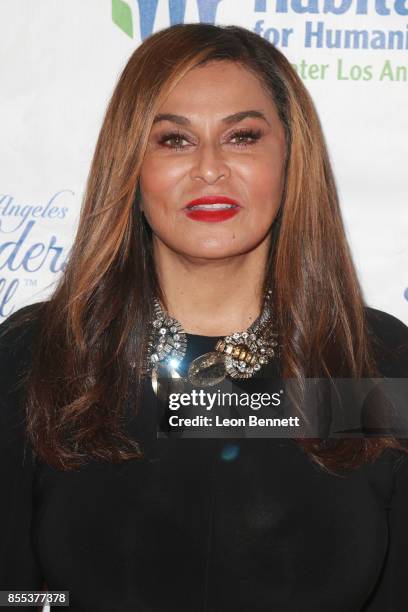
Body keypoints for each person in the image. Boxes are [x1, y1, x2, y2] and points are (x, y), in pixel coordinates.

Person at [0, 22, 407, 612]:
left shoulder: (372, 360)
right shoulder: (42, 353)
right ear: (131, 171)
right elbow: (14, 593)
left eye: (242, 137)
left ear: (291, 161)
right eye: (174, 140)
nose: (210, 168)